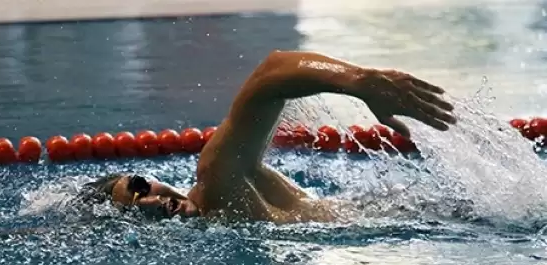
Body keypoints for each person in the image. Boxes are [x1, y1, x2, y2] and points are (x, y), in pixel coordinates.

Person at [79, 50, 456, 223]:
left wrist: (359, 82)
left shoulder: (215, 183)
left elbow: (272, 71)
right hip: (427, 213)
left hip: (438, 218)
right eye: (134, 206)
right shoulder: (216, 213)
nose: (150, 200)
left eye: (141, 185)